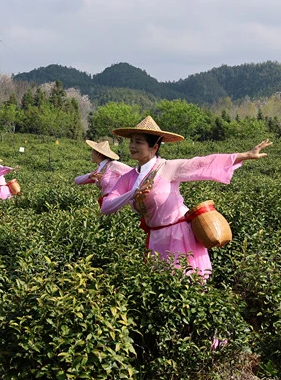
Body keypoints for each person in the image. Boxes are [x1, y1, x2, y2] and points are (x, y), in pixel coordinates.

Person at [102, 116, 271, 279]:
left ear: (154, 148)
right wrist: (133, 193)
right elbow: (107, 207)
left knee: (186, 285)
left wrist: (244, 155)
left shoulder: (167, 168)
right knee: (159, 287)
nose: (132, 146)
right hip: (156, 238)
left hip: (179, 235)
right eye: (131, 141)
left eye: (138, 142)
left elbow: (202, 163)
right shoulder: (128, 178)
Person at [74, 140, 132, 208]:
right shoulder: (99, 170)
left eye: (93, 152)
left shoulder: (113, 164)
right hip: (107, 203)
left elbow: (134, 173)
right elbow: (77, 180)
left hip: (117, 201)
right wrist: (89, 176)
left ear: (98, 154)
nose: (91, 154)